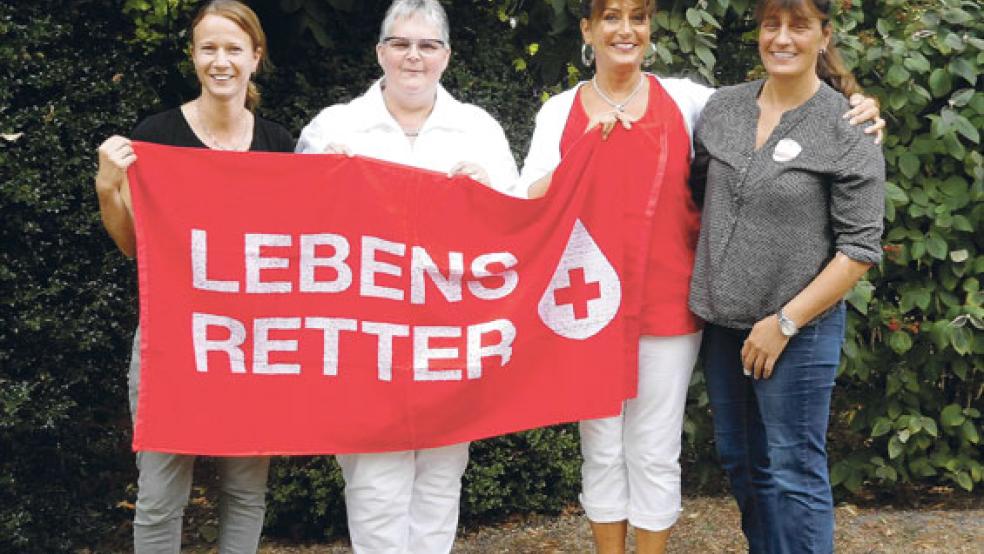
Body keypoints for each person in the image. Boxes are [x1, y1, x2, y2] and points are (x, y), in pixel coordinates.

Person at [518, 1, 883, 552]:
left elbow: (856, 239)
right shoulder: (579, 111)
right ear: (587, 29)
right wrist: (588, 149)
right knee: (702, 457)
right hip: (631, 311)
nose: (625, 30)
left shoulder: (695, 103)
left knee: (741, 461)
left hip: (727, 314)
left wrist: (859, 103)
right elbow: (528, 202)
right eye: (611, 17)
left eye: (638, 17)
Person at [295, 1, 518, 552]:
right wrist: (321, 180)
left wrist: (489, 191)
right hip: (366, 346)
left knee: (440, 485)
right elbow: (292, 230)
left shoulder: (478, 129)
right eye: (400, 44)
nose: (413, 56)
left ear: (446, 56)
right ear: (380, 53)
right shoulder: (334, 127)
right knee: (375, 489)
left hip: (448, 345)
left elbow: (518, 233)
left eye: (427, 45)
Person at [93, 1, 294, 551]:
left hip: (252, 344)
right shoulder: (156, 137)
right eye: (209, 48)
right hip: (172, 342)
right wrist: (108, 188)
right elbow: (135, 247)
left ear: (255, 57)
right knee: (160, 497)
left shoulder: (279, 144)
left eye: (233, 49)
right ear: (193, 56)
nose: (220, 61)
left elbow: (299, 248)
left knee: (246, 491)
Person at [688, 0, 885, 552]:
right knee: (743, 463)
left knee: (794, 470)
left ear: (824, 36)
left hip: (800, 330)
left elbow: (859, 249)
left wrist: (785, 322)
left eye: (799, 26)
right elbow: (698, 189)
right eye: (771, 25)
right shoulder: (722, 108)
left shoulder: (848, 126)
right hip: (725, 326)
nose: (782, 38)